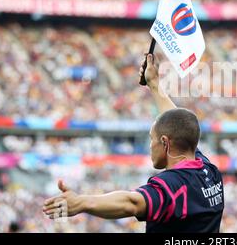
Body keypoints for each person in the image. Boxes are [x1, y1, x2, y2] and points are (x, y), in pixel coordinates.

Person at [42, 54, 224, 233]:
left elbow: (131, 202)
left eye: (152, 139)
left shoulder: (173, 187)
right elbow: (178, 126)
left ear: (165, 143)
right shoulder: (209, 171)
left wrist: (82, 202)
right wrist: (154, 84)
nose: (150, 146)